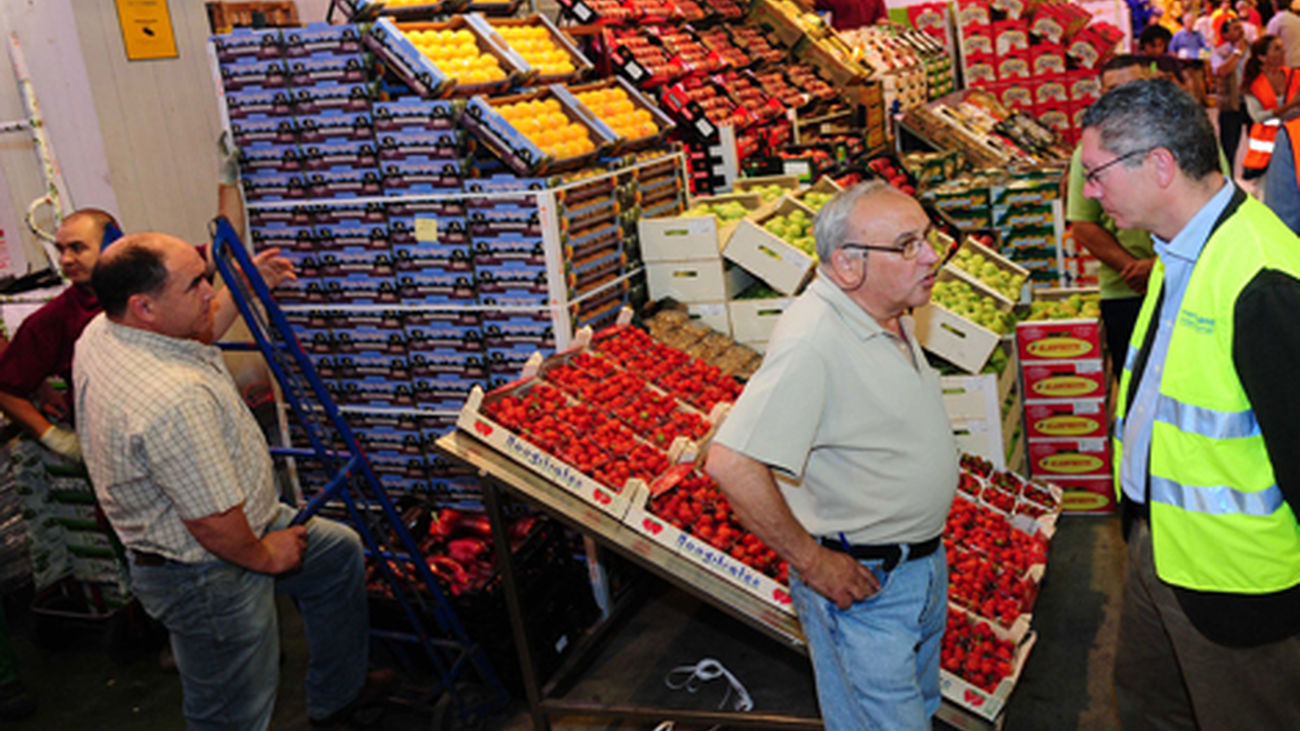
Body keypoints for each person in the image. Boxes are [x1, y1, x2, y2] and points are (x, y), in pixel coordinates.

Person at [73, 233, 390, 729]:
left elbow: (196, 332)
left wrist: (244, 286)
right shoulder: (171, 400)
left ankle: (338, 696)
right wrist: (267, 556)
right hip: (207, 569)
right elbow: (213, 524)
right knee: (230, 711)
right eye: (195, 285)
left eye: (205, 276)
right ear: (144, 306)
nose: (209, 293)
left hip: (235, 522)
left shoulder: (105, 331)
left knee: (337, 556)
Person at [1080, 77, 1300, 729]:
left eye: (1096, 174)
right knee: (1151, 706)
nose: (1088, 193)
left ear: (1159, 165)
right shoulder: (1179, 252)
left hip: (1237, 588)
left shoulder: (1261, 278)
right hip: (1160, 549)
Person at [704, 181, 956, 731]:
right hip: (866, 587)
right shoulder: (814, 340)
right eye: (908, 244)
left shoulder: (884, 312)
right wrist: (814, 563)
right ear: (847, 265)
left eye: (930, 239)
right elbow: (731, 462)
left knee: (919, 711)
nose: (932, 257)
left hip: (916, 568)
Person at [1066, 55, 1157, 371]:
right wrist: (1133, 268)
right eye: (1113, 90)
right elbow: (1083, 224)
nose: (1124, 99)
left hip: (1185, 283)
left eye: (1133, 88)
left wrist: (1159, 268)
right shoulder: (1088, 154)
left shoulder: (1185, 141)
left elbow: (1211, 211)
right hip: (1124, 290)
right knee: (1134, 390)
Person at [1242, 33, 1300, 175]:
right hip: (1267, 150)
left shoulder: (1295, 76)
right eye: (1277, 48)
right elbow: (1257, 116)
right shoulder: (1253, 84)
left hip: (1295, 139)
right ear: (1262, 57)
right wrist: (1290, 106)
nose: (1283, 51)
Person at [1212, 18, 1253, 171]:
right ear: (1225, 35)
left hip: (1253, 102)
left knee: (1259, 145)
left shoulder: (1254, 50)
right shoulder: (1220, 52)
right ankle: (1228, 180)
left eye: (1240, 27)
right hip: (1231, 104)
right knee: (1229, 146)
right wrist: (1236, 53)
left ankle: (1255, 174)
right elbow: (1222, 71)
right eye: (1234, 28)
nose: (1240, 31)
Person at [1265, 0, 1300, 65]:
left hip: (1287, 62)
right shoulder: (1297, 19)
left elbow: (1269, 42)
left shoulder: (1276, 21)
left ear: (1274, 6)